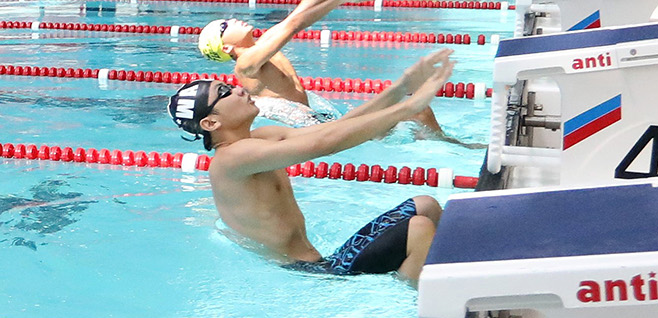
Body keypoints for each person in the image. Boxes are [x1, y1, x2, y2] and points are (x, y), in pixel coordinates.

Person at [168, 49, 454, 283]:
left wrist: (401, 87)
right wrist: (406, 109)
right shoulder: (230, 160)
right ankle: (417, 305)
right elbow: (323, 144)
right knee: (418, 229)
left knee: (425, 204)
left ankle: (444, 277)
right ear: (211, 123)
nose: (239, 89)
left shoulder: (261, 137)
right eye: (225, 92)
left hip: (324, 259)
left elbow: (336, 127)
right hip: (309, 273)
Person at [195, 0, 449, 137]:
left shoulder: (260, 47)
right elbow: (294, 25)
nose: (232, 19)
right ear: (225, 48)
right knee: (417, 110)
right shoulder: (246, 64)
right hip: (310, 130)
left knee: (417, 112)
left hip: (315, 120)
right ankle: (449, 146)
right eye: (224, 26)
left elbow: (298, 14)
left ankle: (435, 144)